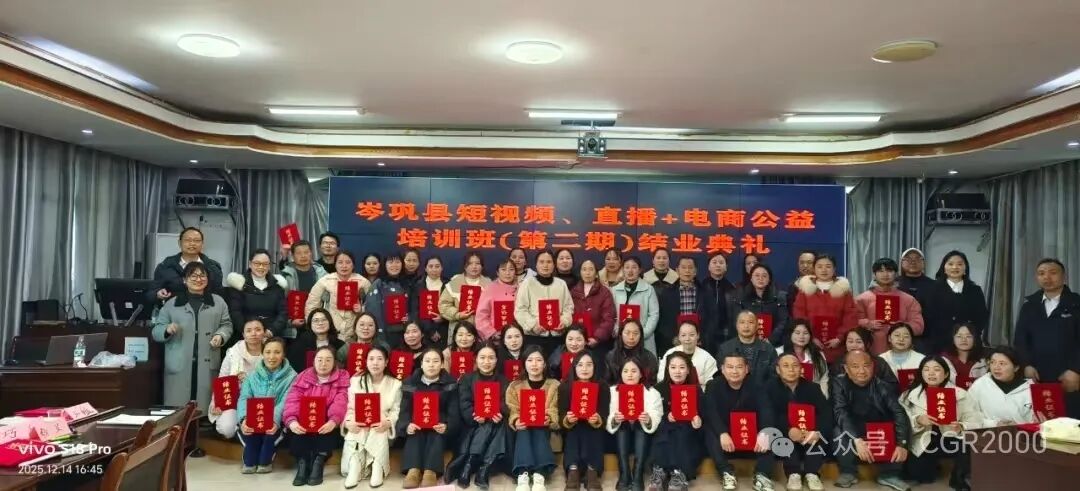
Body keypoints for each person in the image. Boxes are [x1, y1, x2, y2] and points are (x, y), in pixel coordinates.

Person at [152, 262, 233, 413]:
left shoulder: (218, 302)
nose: (198, 279)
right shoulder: (172, 304)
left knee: (204, 409)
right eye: (193, 276)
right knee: (177, 412)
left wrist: (220, 335)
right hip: (179, 362)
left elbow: (226, 325)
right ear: (184, 280)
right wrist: (167, 329)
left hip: (207, 358)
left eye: (202, 275)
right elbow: (156, 330)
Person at [830, 350, 911, 490]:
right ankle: (848, 472)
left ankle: (889, 474)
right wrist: (857, 439)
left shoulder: (883, 386)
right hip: (853, 428)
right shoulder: (838, 383)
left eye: (866, 365)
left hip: (878, 428)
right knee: (838, 431)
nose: (862, 371)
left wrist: (902, 444)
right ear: (846, 369)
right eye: (855, 366)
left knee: (898, 426)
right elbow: (840, 412)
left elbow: (899, 412)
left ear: (873, 366)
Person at [1012, 257, 1080, 418]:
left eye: (1053, 273)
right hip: (1037, 375)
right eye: (1041, 273)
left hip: (1070, 376)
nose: (1047, 277)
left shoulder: (1076, 304)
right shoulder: (1029, 306)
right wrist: (1026, 365)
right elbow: (1021, 339)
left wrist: (1076, 370)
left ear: (1064, 276)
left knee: (1071, 422)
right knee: (1042, 421)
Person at [899, 355, 979, 490]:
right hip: (923, 440)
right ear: (921, 373)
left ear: (946, 374)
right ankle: (932, 466)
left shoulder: (960, 394)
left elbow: (974, 419)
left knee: (968, 444)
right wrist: (918, 420)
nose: (931, 373)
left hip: (951, 437)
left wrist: (961, 426)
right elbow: (901, 422)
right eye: (926, 369)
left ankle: (958, 479)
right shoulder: (909, 396)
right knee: (922, 477)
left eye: (936, 369)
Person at [703, 353, 776, 491]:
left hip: (752, 436)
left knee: (770, 431)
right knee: (709, 430)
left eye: (739, 367)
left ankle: (762, 475)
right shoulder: (713, 385)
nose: (735, 371)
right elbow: (711, 412)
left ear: (746, 369)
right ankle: (726, 472)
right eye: (730, 367)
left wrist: (764, 432)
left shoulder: (757, 385)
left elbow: (766, 409)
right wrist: (722, 433)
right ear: (722, 369)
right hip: (726, 438)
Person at [444, 343, 511, 489]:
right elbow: (464, 403)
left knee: (495, 424)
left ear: (496, 360)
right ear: (475, 359)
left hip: (496, 422)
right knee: (486, 426)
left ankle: (473, 465)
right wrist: (474, 415)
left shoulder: (504, 380)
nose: (487, 362)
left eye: (491, 358)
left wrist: (499, 412)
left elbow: (506, 403)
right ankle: (480, 468)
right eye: (482, 357)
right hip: (471, 423)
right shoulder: (467, 379)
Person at [282, 346, 350, 486]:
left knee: (327, 428)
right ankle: (302, 463)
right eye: (319, 360)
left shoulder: (342, 376)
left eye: (328, 360)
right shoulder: (303, 376)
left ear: (335, 362)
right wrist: (292, 420)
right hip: (305, 419)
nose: (323, 364)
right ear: (313, 361)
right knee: (297, 429)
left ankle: (319, 462)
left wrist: (334, 420)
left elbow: (341, 400)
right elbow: (293, 399)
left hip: (327, 420)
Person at [766, 353, 831, 491]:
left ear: (801, 369)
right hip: (785, 430)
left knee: (820, 435)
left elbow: (825, 413)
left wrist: (816, 432)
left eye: (795, 366)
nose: (791, 369)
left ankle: (812, 473)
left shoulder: (812, 387)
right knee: (781, 436)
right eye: (786, 366)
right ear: (778, 370)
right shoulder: (769, 387)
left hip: (809, 430)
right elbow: (770, 414)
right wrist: (788, 429)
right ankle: (793, 474)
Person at [398, 348, 460, 489]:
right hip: (417, 424)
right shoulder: (410, 382)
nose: (431, 365)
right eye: (427, 361)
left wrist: (447, 426)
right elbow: (405, 409)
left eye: (436, 361)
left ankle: (430, 471)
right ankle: (413, 470)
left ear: (442, 364)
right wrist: (406, 425)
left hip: (439, 425)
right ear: (421, 364)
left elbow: (453, 410)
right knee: (415, 429)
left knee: (436, 431)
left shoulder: (450, 383)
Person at [342, 345, 402, 488]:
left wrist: (388, 422)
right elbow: (350, 408)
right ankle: (355, 465)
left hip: (382, 427)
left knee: (378, 423)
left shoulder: (395, 384)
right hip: (361, 426)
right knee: (357, 421)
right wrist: (349, 422)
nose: (375, 363)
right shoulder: (356, 381)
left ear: (386, 362)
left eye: (380, 359)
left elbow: (395, 411)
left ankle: (377, 465)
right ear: (366, 361)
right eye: (371, 359)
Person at [236, 337, 297, 474]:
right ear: (262, 354)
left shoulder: (293, 377)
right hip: (254, 419)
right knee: (250, 457)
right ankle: (250, 456)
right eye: (268, 352)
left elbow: (286, 401)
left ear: (284, 354)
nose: (272, 357)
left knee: (265, 455)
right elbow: (244, 398)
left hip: (277, 421)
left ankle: (266, 459)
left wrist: (273, 420)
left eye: (277, 352)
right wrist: (244, 418)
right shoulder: (252, 376)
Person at [506, 345, 561, 491]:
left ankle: (539, 474)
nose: (534, 364)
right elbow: (512, 408)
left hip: (545, 428)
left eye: (538, 360)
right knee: (524, 428)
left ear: (545, 364)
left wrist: (549, 418)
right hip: (522, 428)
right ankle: (523, 474)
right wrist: (516, 420)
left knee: (538, 427)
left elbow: (555, 408)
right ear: (524, 363)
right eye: (530, 360)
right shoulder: (514, 386)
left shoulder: (555, 385)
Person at [648, 352, 705, 491]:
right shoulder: (658, 389)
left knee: (682, 432)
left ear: (688, 370)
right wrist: (666, 416)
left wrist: (698, 420)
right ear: (667, 369)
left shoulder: (696, 390)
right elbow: (652, 414)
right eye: (673, 367)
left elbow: (704, 414)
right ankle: (660, 471)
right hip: (665, 428)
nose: (677, 371)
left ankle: (679, 474)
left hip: (688, 430)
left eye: (682, 367)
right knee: (665, 430)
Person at [607, 358, 663, 491]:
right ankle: (624, 473)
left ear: (641, 374)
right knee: (622, 425)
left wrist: (648, 420)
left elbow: (657, 414)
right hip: (619, 436)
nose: (629, 375)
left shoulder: (652, 393)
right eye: (625, 371)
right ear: (620, 373)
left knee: (640, 426)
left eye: (634, 371)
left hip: (643, 437)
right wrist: (615, 419)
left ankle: (638, 475)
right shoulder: (612, 392)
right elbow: (606, 416)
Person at [792, 253, 858, 363]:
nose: (824, 270)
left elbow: (850, 317)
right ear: (814, 269)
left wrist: (840, 338)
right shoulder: (805, 290)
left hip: (837, 345)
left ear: (834, 269)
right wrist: (810, 337)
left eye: (828, 266)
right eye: (819, 266)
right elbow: (799, 315)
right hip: (810, 345)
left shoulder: (844, 291)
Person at [559, 351, 609, 491]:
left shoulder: (602, 386)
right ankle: (573, 470)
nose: (585, 369)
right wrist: (568, 419)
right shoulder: (565, 386)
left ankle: (592, 471)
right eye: (580, 365)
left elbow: (605, 413)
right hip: (572, 427)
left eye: (589, 365)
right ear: (574, 367)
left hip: (594, 427)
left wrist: (598, 419)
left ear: (595, 367)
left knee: (591, 428)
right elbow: (561, 414)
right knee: (575, 429)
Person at [854, 258, 924, 355]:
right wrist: (868, 324)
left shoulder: (909, 299)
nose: (885, 274)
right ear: (874, 274)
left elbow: (919, 326)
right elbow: (852, 322)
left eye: (889, 271)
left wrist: (901, 326)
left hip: (902, 352)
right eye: (881, 271)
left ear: (896, 274)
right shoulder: (862, 299)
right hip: (871, 352)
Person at [923, 251, 989, 353]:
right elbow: (928, 317)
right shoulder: (932, 289)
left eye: (960, 264)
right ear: (944, 268)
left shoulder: (975, 290)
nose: (955, 267)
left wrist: (968, 334)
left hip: (969, 344)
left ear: (965, 268)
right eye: (950, 264)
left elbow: (982, 317)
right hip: (939, 344)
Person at [210, 320, 266, 440]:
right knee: (226, 429)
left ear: (264, 333)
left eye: (258, 329)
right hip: (234, 398)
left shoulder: (270, 352)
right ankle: (240, 430)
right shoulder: (233, 353)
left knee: (260, 429)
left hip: (260, 399)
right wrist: (217, 403)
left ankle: (245, 431)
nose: (253, 333)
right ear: (243, 335)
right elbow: (222, 379)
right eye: (249, 331)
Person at [515, 249, 575, 356]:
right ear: (536, 265)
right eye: (541, 262)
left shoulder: (561, 284)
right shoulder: (528, 283)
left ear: (554, 264)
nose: (545, 265)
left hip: (558, 336)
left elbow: (568, 307)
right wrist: (533, 325)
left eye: (549, 262)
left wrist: (564, 321)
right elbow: (520, 310)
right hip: (534, 336)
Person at [305, 250, 372, 343]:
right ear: (335, 265)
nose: (344, 266)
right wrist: (313, 327)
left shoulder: (363, 282)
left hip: (355, 333)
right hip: (331, 332)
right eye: (340, 262)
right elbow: (312, 305)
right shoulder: (325, 281)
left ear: (353, 265)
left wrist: (361, 309)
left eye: (348, 262)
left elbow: (372, 307)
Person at [148, 227, 224, 304]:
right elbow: (150, 293)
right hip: (175, 308)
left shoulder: (213, 267)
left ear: (202, 244)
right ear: (179, 243)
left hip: (206, 308)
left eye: (197, 240)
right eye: (188, 240)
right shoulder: (165, 266)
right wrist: (157, 294)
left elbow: (219, 293)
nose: (192, 243)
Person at [227, 249, 288, 343]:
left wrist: (271, 331)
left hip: (271, 337)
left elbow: (283, 313)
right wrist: (248, 332)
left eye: (265, 264)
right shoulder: (239, 284)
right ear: (250, 264)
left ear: (269, 266)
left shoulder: (277, 286)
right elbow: (235, 312)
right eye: (257, 263)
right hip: (245, 337)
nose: (261, 267)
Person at [967, 346, 1036, 427]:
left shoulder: (1031, 389)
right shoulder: (980, 384)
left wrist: (1019, 426)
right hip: (988, 433)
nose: (996, 367)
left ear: (1016, 368)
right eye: (992, 362)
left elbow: (1038, 422)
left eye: (1002, 363)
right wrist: (994, 424)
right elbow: (968, 416)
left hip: (1023, 434)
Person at [657, 257, 709, 354]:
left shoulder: (705, 293)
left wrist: (700, 337)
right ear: (677, 270)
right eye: (683, 267)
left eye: (690, 267)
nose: (687, 271)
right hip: (674, 342)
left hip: (699, 342)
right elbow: (663, 320)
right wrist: (673, 337)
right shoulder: (667, 293)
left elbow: (712, 318)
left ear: (695, 271)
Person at [728, 263, 788, 346]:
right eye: (757, 275)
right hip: (748, 342)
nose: (760, 278)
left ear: (769, 279)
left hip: (774, 344)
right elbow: (738, 321)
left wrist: (771, 340)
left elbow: (783, 322)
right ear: (751, 278)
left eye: (764, 276)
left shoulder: (779, 297)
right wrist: (750, 339)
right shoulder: (741, 297)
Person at [612, 257, 661, 355]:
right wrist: (617, 331)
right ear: (623, 270)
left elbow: (654, 314)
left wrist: (643, 333)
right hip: (621, 338)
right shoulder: (615, 290)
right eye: (627, 267)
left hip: (644, 339)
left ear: (639, 270)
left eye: (634, 267)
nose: (630, 271)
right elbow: (611, 314)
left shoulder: (648, 289)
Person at [719, 311, 778, 387]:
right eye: (742, 322)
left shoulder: (769, 349)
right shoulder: (725, 349)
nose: (746, 326)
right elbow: (721, 376)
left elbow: (774, 377)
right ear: (736, 325)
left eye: (750, 322)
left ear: (757, 326)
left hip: (762, 391)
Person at [571, 259, 616, 360]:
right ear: (580, 273)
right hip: (577, 342)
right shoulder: (573, 292)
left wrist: (597, 338)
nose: (587, 272)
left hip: (599, 343)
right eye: (584, 269)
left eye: (591, 269)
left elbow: (609, 318)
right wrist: (577, 337)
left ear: (596, 274)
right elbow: (570, 314)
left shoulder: (604, 292)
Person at [440, 251, 492, 336]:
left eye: (477, 263)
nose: (474, 267)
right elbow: (444, 305)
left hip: (482, 331)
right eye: (470, 263)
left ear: (482, 266)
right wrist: (458, 314)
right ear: (464, 266)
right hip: (459, 330)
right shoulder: (454, 282)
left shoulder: (489, 284)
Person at [365, 252, 410, 347]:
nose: (394, 265)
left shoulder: (407, 284)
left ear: (402, 264)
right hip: (385, 333)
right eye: (390, 262)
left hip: (406, 333)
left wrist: (409, 318)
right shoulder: (379, 284)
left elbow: (413, 307)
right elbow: (373, 311)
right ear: (384, 265)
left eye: (397, 262)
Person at [777, 319, 830, 397]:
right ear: (790, 334)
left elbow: (824, 380)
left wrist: (820, 399)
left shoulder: (818, 355)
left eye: (805, 333)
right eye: (797, 333)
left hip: (813, 398)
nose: (801, 336)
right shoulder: (778, 353)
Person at [657, 320, 717, 388]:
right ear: (679, 337)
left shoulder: (707, 358)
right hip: (671, 391)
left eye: (691, 335)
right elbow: (661, 378)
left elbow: (712, 384)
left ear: (698, 335)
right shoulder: (670, 353)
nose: (687, 339)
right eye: (683, 335)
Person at [288, 308, 346, 373]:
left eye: (324, 320)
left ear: (330, 322)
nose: (320, 323)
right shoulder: (300, 343)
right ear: (310, 324)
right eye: (316, 320)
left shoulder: (340, 345)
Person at [476, 259, 520, 341]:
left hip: (516, 336)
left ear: (515, 272)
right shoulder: (490, 289)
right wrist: (492, 333)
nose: (507, 273)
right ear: (497, 272)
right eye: (503, 269)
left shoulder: (521, 288)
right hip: (495, 337)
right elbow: (481, 316)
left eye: (511, 269)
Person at [605, 319, 659, 386]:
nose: (631, 337)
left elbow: (653, 381)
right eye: (627, 333)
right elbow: (608, 382)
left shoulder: (649, 356)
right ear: (620, 334)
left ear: (641, 335)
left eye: (635, 333)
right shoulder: (611, 356)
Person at [410, 255, 449, 348]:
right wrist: (430, 331)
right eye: (430, 266)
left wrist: (444, 317)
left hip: (444, 329)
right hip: (424, 331)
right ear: (425, 269)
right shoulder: (418, 285)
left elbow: (453, 306)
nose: (434, 269)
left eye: (437, 266)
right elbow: (415, 310)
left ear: (442, 268)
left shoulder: (448, 285)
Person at [701, 252, 736, 351]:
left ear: (726, 267)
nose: (718, 265)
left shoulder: (732, 288)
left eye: (721, 262)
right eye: (714, 262)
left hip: (726, 332)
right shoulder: (701, 287)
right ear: (708, 266)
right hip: (706, 333)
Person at [877, 323, 926, 389]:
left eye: (906, 336)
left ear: (911, 340)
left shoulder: (921, 359)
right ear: (889, 338)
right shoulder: (881, 359)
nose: (901, 339)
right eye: (897, 335)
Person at [942, 323, 988, 389]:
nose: (963, 340)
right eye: (959, 336)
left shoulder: (984, 361)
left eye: (968, 336)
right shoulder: (944, 359)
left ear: (975, 339)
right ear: (953, 339)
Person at [786, 250, 817, 316]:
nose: (805, 266)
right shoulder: (792, 287)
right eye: (802, 262)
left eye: (809, 262)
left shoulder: (822, 286)